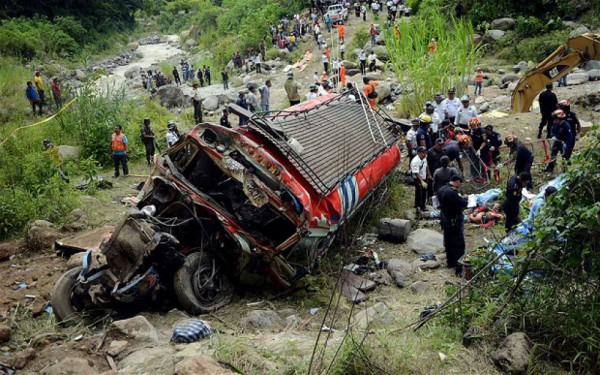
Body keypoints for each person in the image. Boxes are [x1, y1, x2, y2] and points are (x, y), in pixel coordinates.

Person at [437, 175, 469, 275]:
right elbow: (463, 203)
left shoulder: (442, 189)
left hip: (445, 217)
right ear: (457, 182)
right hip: (453, 219)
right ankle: (458, 263)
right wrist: (465, 199)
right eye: (460, 184)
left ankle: (450, 262)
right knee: (458, 242)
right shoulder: (452, 192)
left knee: (448, 241)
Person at [411, 146, 430, 214]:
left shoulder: (424, 157)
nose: (424, 154)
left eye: (425, 152)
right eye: (423, 153)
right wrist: (421, 181)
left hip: (424, 177)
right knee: (419, 192)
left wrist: (429, 174)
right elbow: (416, 172)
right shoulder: (415, 161)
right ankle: (417, 206)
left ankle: (423, 206)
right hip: (418, 178)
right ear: (418, 153)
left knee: (424, 192)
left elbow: (426, 165)